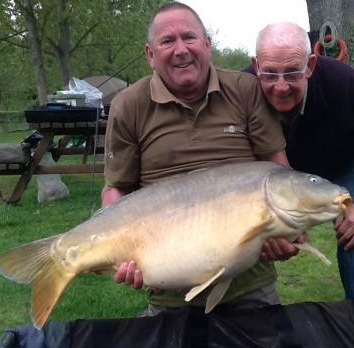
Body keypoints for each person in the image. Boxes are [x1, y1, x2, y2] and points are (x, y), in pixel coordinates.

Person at [102, 3, 298, 316]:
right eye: (168, 41)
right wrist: (115, 248)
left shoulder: (245, 90)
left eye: (189, 38)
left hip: (251, 285)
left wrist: (293, 234)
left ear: (207, 44)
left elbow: (279, 168)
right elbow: (115, 191)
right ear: (150, 54)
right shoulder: (129, 105)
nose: (181, 50)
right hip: (169, 292)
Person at [243, 21, 354, 300]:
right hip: (274, 174)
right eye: (269, 74)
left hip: (341, 165)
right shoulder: (240, 90)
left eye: (292, 73)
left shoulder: (344, 83)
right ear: (256, 66)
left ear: (310, 66)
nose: (280, 87)